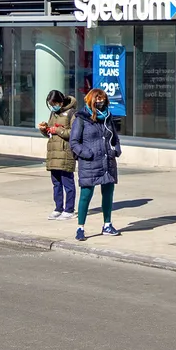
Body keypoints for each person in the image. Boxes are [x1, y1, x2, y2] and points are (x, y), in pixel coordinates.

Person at [68, 87, 123, 241]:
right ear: (91, 100)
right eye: (97, 99)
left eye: (103, 99)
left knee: (108, 193)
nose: (100, 101)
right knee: (86, 194)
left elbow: (115, 138)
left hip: (107, 161)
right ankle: (80, 227)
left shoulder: (108, 118)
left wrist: (116, 150)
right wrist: (87, 154)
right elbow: (74, 142)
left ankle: (107, 224)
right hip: (90, 163)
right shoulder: (81, 118)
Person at [39, 90, 77, 220]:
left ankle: (69, 209)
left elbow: (74, 133)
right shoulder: (53, 113)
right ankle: (58, 208)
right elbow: (50, 133)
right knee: (56, 184)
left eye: (55, 103)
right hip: (53, 153)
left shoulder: (71, 113)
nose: (53, 106)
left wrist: (59, 130)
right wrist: (45, 129)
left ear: (61, 101)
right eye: (51, 104)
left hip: (65, 152)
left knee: (68, 182)